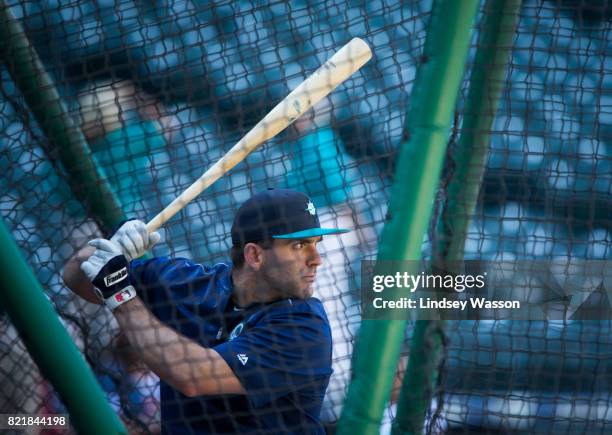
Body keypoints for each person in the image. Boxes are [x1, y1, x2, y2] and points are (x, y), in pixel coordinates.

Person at [63, 188, 349, 434]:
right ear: (255, 255)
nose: (317, 260)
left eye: (315, 244)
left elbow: (195, 377)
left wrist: (121, 296)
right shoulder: (185, 282)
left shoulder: (304, 326)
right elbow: (75, 276)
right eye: (299, 245)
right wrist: (113, 248)